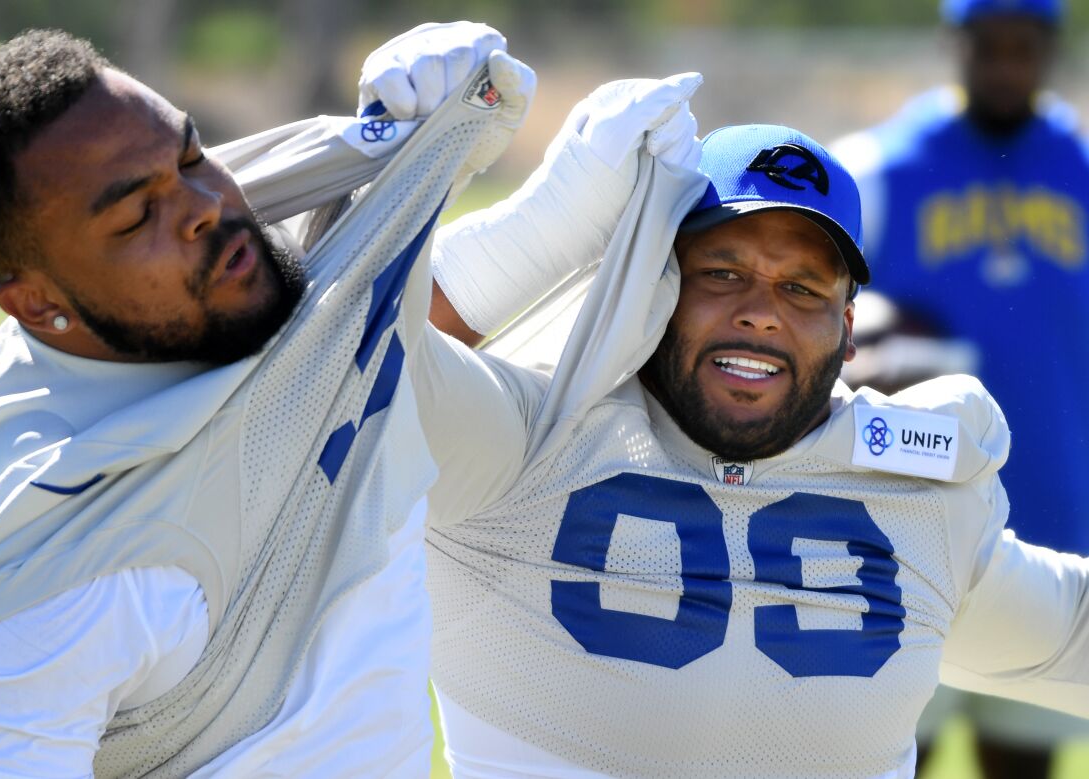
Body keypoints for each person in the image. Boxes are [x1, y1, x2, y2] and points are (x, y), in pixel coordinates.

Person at [0, 22, 546, 778]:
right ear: (37, 306)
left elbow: (390, 322)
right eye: (136, 216)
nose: (205, 202)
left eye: (192, 153)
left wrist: (452, 137)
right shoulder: (39, 579)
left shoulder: (230, 301)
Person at [416, 119, 1089, 778]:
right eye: (722, 272)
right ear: (658, 286)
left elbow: (1070, 635)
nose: (762, 311)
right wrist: (530, 229)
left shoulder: (920, 500)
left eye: (801, 287)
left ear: (847, 327)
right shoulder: (526, 439)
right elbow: (342, 373)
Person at [830, 0, 1089, 773]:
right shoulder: (880, 167)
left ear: (1051, 48)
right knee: (885, 754)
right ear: (956, 44)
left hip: (1053, 518)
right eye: (990, 45)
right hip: (906, 530)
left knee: (1024, 758)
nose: (1007, 64)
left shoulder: (1082, 166)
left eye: (1025, 45)